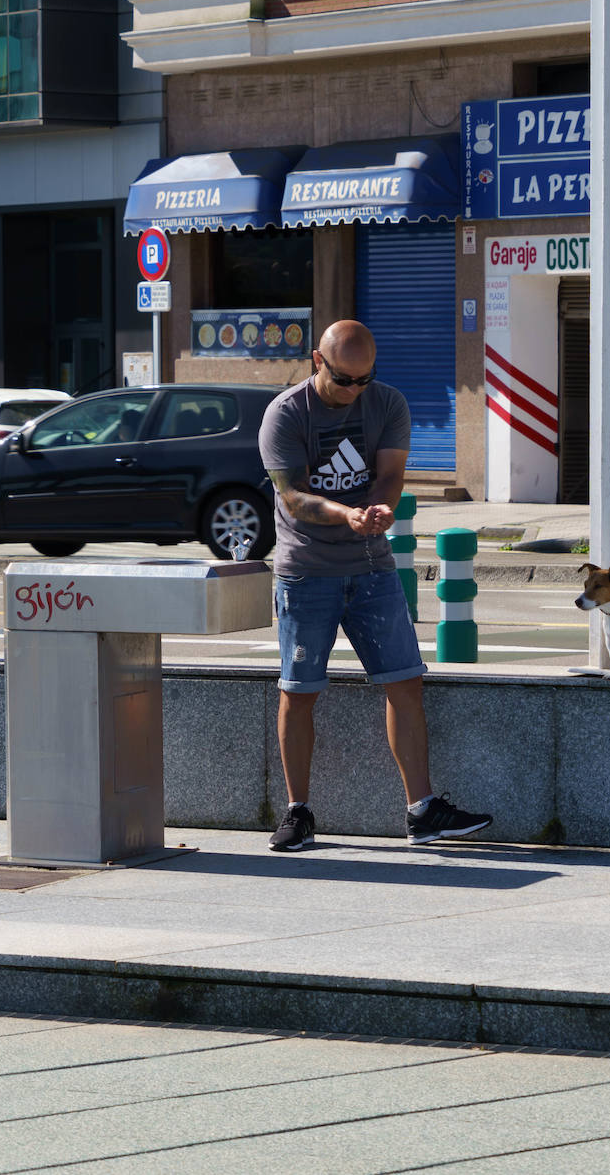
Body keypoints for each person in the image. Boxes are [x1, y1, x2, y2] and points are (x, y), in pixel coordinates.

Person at [258, 319, 492, 852]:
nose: (356, 391)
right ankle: (297, 813)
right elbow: (293, 498)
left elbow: (390, 473)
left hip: (372, 567)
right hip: (306, 569)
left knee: (405, 682)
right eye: (345, 380)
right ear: (318, 362)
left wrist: (381, 506)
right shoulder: (285, 415)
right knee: (299, 691)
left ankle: (423, 811)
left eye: (365, 380)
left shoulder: (388, 403)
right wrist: (347, 513)